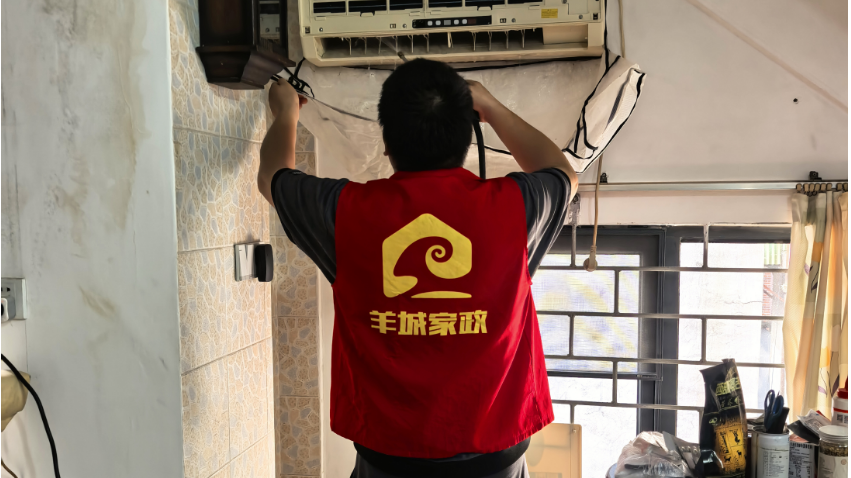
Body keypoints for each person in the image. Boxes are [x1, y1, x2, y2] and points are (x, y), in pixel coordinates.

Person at [258, 59, 578, 478]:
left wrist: (286, 111)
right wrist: (491, 106)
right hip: (496, 457)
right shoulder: (515, 208)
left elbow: (273, 177)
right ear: (467, 137)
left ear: (386, 144)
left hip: (388, 459)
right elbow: (564, 174)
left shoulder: (346, 213)